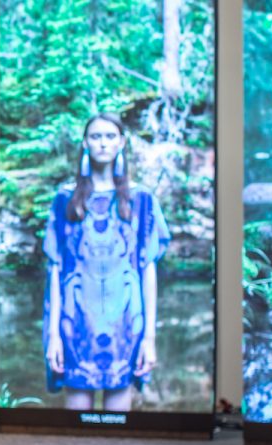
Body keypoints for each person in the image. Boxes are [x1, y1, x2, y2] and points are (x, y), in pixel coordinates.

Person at [43, 114, 169, 412]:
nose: (103, 143)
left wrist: (149, 338)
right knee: (76, 428)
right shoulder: (65, 199)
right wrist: (53, 336)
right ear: (85, 142)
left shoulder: (141, 199)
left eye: (110, 136)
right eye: (96, 136)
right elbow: (56, 269)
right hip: (75, 325)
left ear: (121, 142)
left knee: (118, 430)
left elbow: (148, 269)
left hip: (126, 325)